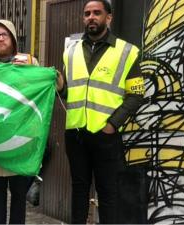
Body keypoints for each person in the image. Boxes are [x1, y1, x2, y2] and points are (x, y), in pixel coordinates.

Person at [57, 0, 145, 223]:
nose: (91, 17)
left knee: (108, 194)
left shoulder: (127, 52)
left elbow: (136, 94)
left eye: (97, 13)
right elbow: (71, 92)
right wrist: (61, 88)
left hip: (106, 135)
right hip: (75, 133)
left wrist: (112, 124)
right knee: (78, 192)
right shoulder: (70, 52)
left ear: (109, 17)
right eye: (87, 14)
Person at [0, 19, 39, 225]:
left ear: (13, 39)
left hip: (20, 142)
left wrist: (29, 70)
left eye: (4, 34)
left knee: (18, 195)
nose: (0, 38)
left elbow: (45, 84)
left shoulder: (29, 62)